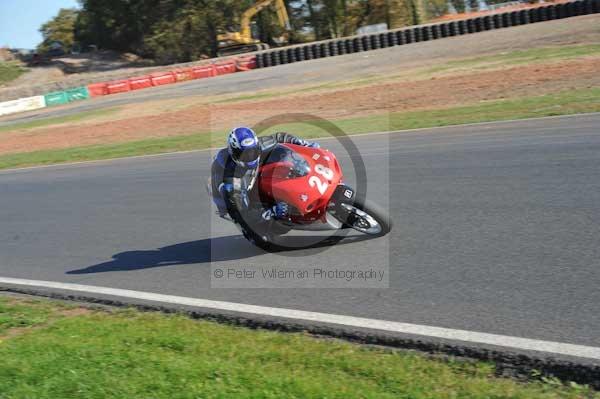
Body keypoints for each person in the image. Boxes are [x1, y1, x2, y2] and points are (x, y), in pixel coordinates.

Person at [210, 126, 319, 223]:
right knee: (250, 221)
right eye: (245, 154)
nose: (250, 156)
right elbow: (243, 213)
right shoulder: (230, 179)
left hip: (251, 174)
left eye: (253, 151)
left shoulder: (261, 144)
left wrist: (304, 144)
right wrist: (271, 212)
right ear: (234, 153)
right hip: (234, 195)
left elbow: (279, 137)